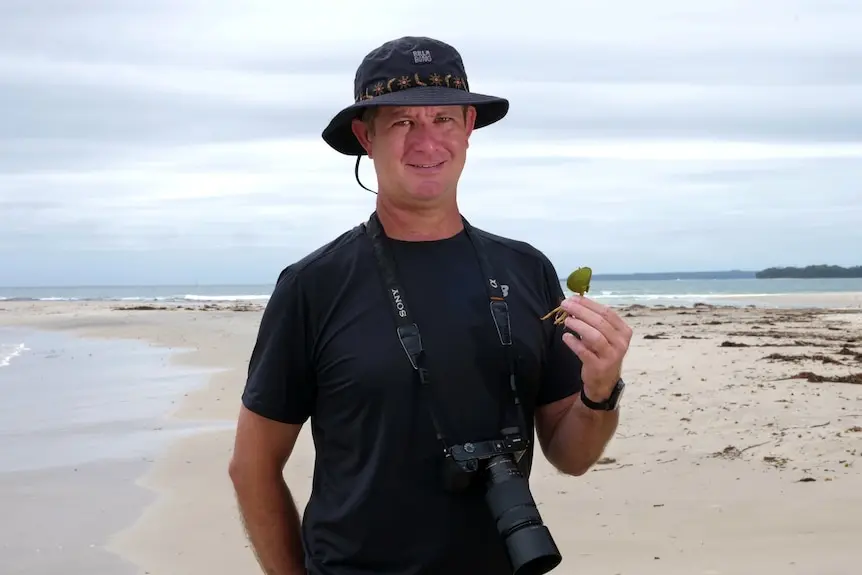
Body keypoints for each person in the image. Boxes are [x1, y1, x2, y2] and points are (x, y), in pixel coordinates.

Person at [228, 36, 633, 575]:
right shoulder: (313, 284)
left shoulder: (526, 270)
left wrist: (601, 391)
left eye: (443, 119)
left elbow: (573, 455)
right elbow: (252, 467)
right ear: (364, 137)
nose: (427, 141)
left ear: (468, 128)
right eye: (401, 122)